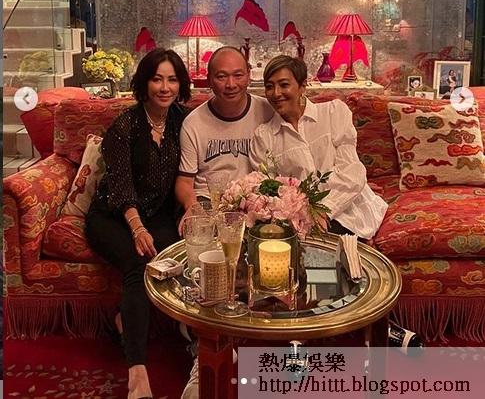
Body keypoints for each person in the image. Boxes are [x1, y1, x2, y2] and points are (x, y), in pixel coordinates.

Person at [85, 48, 191, 399]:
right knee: (138, 263)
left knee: (173, 257)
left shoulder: (184, 121)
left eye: (172, 79)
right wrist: (137, 228)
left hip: (156, 214)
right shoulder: (125, 125)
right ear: (144, 83)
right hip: (112, 215)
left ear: (181, 85)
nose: (165, 87)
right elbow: (121, 185)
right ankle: (137, 372)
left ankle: (143, 324)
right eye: (157, 79)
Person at [175, 45, 273, 398]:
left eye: (238, 75)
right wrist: (192, 207)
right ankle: (202, 354)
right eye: (221, 76)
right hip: (210, 202)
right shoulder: (194, 123)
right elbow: (185, 180)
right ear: (208, 80)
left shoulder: (265, 110)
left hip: (257, 200)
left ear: (249, 76)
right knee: (209, 259)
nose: (231, 84)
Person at [249, 55, 388, 240]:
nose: (276, 93)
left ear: (302, 86)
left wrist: (325, 211)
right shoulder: (263, 136)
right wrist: (300, 217)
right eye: (269, 86)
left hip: (348, 210)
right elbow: (269, 190)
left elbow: (352, 171)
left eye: (284, 85)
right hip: (299, 221)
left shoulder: (333, 113)